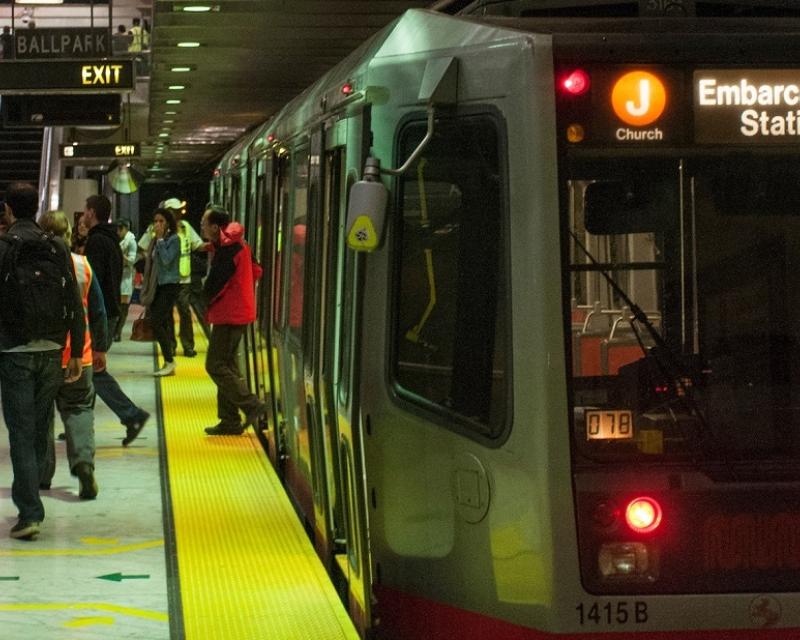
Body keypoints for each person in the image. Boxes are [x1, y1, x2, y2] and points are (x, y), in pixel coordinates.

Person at [0, 183, 84, 540]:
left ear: (7, 210)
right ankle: (34, 498)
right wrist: (77, 351)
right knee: (39, 426)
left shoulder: (4, 247)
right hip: (52, 349)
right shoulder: (58, 246)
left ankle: (30, 511)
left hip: (14, 351)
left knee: (20, 431)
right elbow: (74, 300)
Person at [39, 211, 108, 500]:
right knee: (79, 410)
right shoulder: (82, 266)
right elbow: (98, 310)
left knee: (40, 415)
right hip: (80, 355)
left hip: (41, 355)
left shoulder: (29, 265)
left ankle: (41, 475)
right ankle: (83, 465)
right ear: (68, 235)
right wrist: (102, 346)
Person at [82, 195, 149, 446]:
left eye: (86, 211)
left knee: (93, 371)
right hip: (109, 312)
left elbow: (92, 283)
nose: (84, 215)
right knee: (89, 372)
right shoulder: (111, 240)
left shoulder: (97, 242)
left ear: (92, 212)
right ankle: (79, 421)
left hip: (100, 315)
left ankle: (131, 414)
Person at [200, 205, 266, 435]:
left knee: (215, 365)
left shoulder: (228, 250)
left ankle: (252, 405)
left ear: (216, 227)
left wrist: (202, 299)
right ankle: (229, 420)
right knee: (226, 365)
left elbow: (214, 285)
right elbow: (257, 270)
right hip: (237, 311)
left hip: (230, 314)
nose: (202, 227)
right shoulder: (238, 244)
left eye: (204, 224)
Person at [139, 197, 206, 356]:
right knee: (166, 315)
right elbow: (143, 247)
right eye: (173, 211)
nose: (177, 214)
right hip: (163, 280)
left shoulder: (185, 227)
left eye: (177, 211)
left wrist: (215, 245)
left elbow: (198, 245)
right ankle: (170, 345)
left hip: (183, 278)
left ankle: (188, 345)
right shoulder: (155, 227)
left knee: (184, 311)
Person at [146, 208, 180, 377]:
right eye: (155, 221)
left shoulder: (174, 239)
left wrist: (159, 240)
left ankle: (170, 359)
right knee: (162, 322)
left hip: (169, 285)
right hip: (157, 285)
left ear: (168, 223)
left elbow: (166, 260)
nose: (158, 224)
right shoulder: (154, 239)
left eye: (161, 221)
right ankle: (168, 361)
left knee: (157, 321)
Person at [116, 218, 137, 341]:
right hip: (118, 275)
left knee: (123, 305)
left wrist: (120, 255)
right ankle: (116, 331)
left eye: (120, 229)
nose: (118, 232)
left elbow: (131, 260)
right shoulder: (121, 241)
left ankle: (118, 332)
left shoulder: (131, 241)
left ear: (125, 229)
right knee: (118, 304)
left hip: (126, 276)